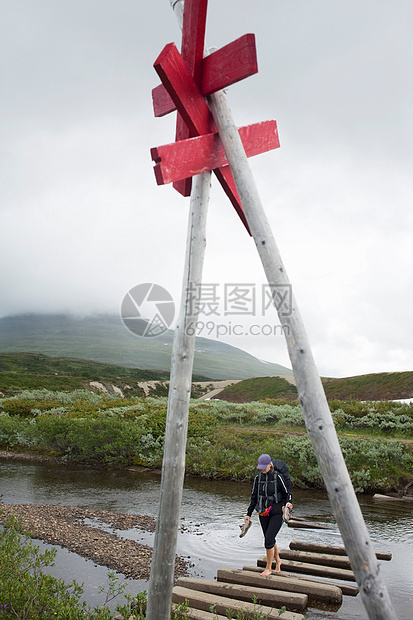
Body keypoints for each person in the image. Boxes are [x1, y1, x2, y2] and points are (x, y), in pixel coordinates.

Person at [244, 453, 293, 576]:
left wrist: (288, 503)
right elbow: (253, 497)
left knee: (269, 539)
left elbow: (287, 493)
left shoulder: (278, 477)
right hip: (263, 512)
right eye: (260, 467)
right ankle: (278, 561)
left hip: (277, 512)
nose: (262, 470)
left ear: (270, 464)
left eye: (264, 467)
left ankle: (268, 568)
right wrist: (248, 514)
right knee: (269, 538)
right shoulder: (257, 478)